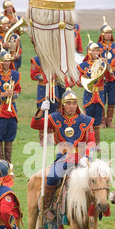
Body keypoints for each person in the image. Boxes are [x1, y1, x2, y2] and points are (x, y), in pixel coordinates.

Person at [30, 88, 95, 221]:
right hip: (63, 157)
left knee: (97, 178)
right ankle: (48, 208)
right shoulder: (54, 118)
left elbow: (92, 141)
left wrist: (87, 157)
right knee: (53, 177)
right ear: (62, 105)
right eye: (68, 103)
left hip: (82, 158)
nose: (72, 106)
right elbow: (35, 124)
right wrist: (41, 110)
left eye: (74, 103)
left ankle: (96, 206)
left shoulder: (86, 120)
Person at [0, 49, 21, 163]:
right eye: (5, 61)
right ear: (0, 62)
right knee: (0, 137)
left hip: (12, 110)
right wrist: (2, 95)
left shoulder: (15, 75)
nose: (7, 63)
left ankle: (8, 161)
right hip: (0, 110)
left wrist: (14, 94)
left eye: (9, 61)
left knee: (10, 136)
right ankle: (1, 162)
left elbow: (19, 90)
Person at [77, 37, 106, 150]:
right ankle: (89, 143)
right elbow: (80, 82)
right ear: (89, 52)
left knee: (98, 121)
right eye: (93, 51)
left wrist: (106, 66)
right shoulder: (83, 66)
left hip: (99, 96)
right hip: (89, 95)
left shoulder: (102, 63)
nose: (96, 53)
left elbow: (109, 77)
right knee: (88, 120)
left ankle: (97, 144)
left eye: (97, 50)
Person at [97, 17, 115, 129]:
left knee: (112, 100)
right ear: (102, 34)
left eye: (109, 33)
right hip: (102, 77)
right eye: (106, 33)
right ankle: (102, 121)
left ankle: (109, 121)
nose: (108, 35)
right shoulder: (96, 47)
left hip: (113, 76)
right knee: (102, 99)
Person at [30, 54, 60, 146]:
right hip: (43, 89)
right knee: (42, 113)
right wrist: (45, 76)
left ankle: (51, 138)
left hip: (54, 89)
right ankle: (43, 139)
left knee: (53, 113)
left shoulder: (56, 58)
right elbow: (33, 75)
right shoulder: (36, 60)